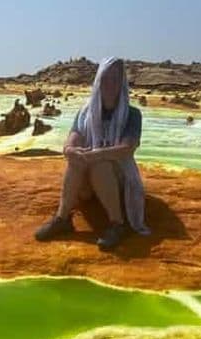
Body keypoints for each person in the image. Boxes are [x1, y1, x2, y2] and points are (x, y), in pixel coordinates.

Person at [34, 57, 150, 250]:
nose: (111, 84)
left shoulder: (132, 114)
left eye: (116, 79)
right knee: (76, 161)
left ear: (122, 83)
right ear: (98, 81)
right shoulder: (85, 112)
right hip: (87, 183)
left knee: (100, 165)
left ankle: (117, 224)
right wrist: (71, 151)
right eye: (106, 78)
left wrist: (96, 155)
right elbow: (72, 140)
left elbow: (127, 148)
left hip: (119, 179)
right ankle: (62, 219)